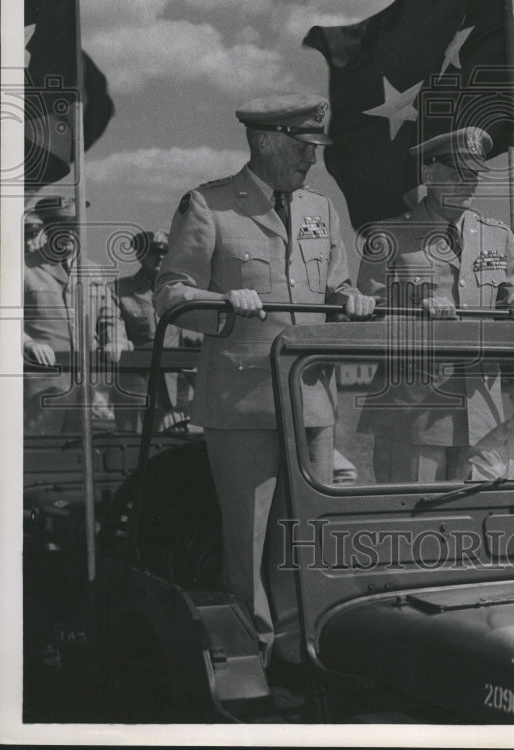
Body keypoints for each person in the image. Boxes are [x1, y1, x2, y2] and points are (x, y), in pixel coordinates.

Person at [154, 92, 374, 664]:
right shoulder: (210, 206)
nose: (312, 161)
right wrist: (224, 303)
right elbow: (171, 293)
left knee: (309, 533)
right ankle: (256, 656)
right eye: (304, 148)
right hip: (242, 401)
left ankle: (306, 650)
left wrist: (351, 300)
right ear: (268, 142)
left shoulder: (322, 211)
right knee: (246, 542)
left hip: (313, 404)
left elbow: (335, 285)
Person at [357, 126, 514, 483]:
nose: (468, 183)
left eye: (473, 175)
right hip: (413, 416)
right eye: (457, 173)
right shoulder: (388, 237)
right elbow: (365, 323)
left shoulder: (498, 237)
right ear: (428, 174)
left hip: (482, 416)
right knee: (412, 528)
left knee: (473, 529)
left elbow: (507, 317)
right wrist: (414, 308)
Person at [23, 197, 128, 434]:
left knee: (78, 456)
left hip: (85, 388)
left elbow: (110, 316)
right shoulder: (24, 268)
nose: (69, 233)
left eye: (74, 226)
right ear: (48, 229)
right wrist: (27, 342)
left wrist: (116, 339)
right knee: (42, 460)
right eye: (61, 226)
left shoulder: (92, 271)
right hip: (39, 386)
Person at [104, 230, 201, 432]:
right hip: (136, 384)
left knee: (175, 449)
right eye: (153, 252)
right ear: (139, 255)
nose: (160, 257)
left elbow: (197, 333)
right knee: (131, 448)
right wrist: (116, 341)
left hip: (177, 384)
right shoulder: (119, 289)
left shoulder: (183, 291)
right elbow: (112, 323)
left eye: (165, 252)